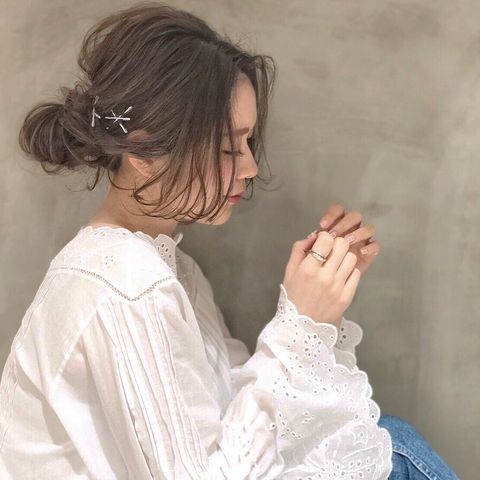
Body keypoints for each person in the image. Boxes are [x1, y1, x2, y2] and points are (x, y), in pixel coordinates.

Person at [0, 3, 460, 479]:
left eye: (247, 142)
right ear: (143, 151)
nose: (250, 166)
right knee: (397, 450)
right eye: (227, 147)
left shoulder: (167, 270)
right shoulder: (126, 288)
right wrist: (302, 325)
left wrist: (317, 308)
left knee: (389, 440)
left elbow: (233, 410)